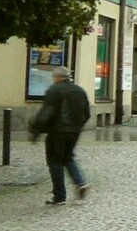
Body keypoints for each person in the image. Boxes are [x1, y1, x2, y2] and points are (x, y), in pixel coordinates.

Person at [29, 68, 91, 205]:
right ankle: (80, 183)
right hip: (75, 130)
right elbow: (86, 112)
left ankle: (59, 196)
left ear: (57, 77)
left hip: (57, 131)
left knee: (54, 161)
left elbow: (46, 112)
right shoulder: (79, 90)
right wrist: (78, 125)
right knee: (67, 157)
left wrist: (36, 130)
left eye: (53, 77)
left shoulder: (54, 90)